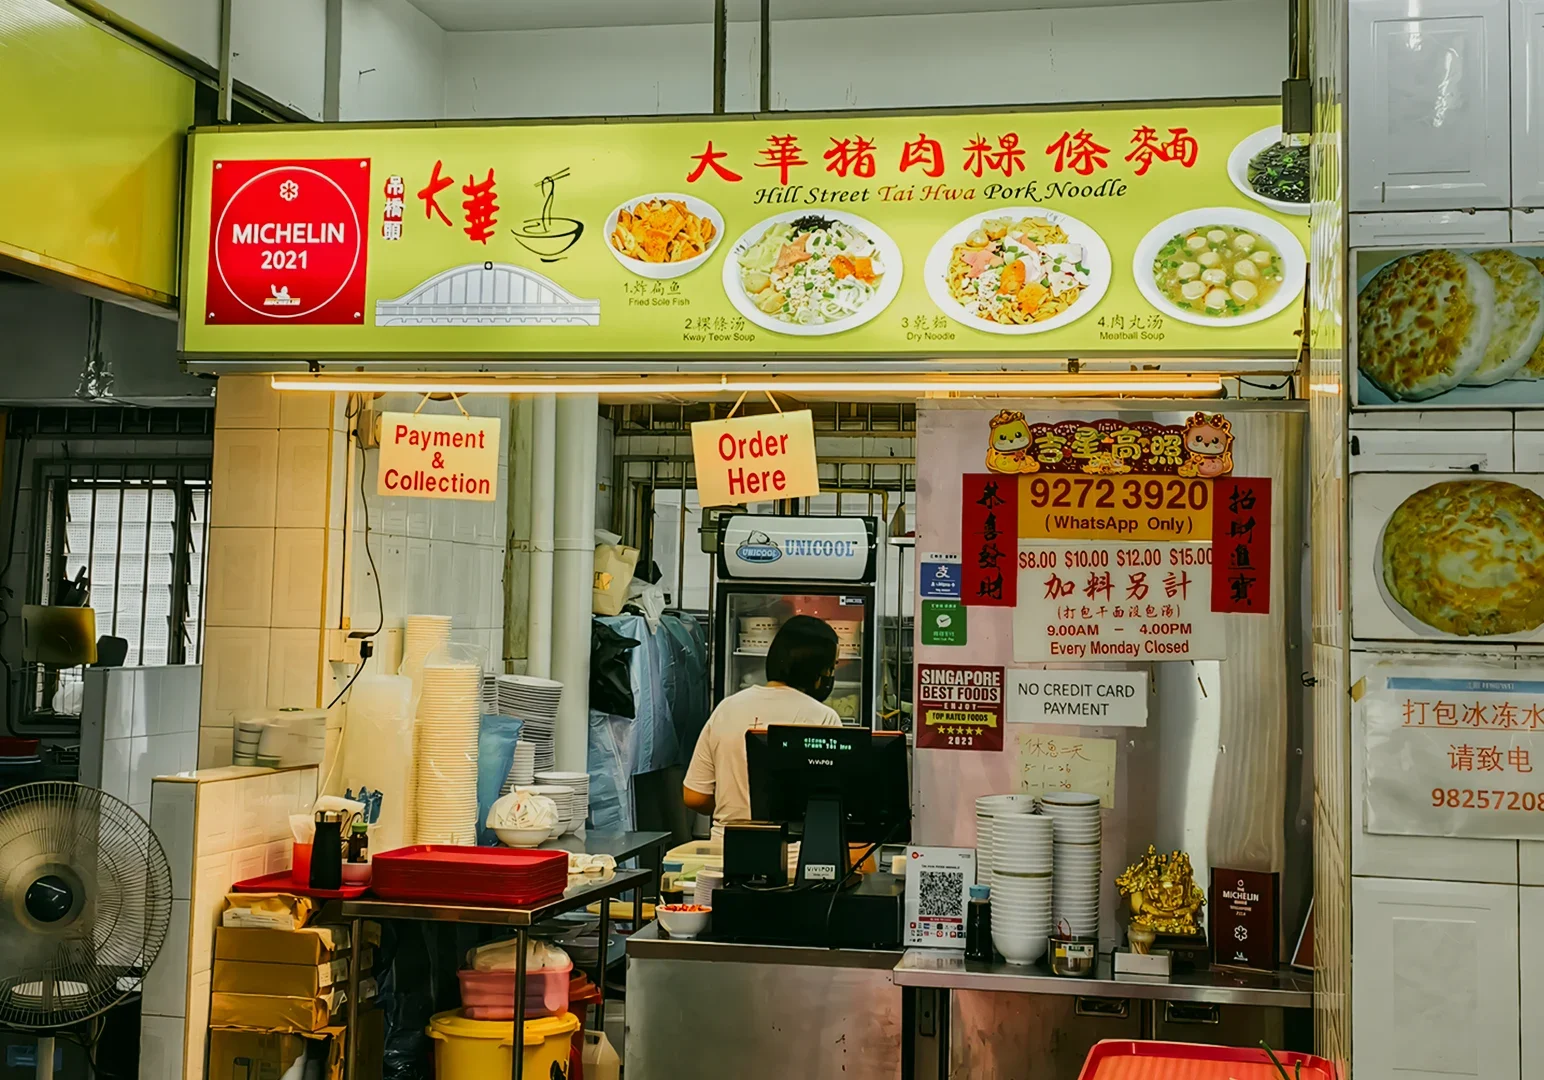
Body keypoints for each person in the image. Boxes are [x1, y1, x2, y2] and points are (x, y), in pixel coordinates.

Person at [683, 615, 843, 838]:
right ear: (819, 670)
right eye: (831, 666)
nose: (831, 674)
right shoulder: (823, 718)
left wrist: (735, 808)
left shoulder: (726, 708)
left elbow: (694, 796)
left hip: (725, 851)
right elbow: (832, 801)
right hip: (795, 853)